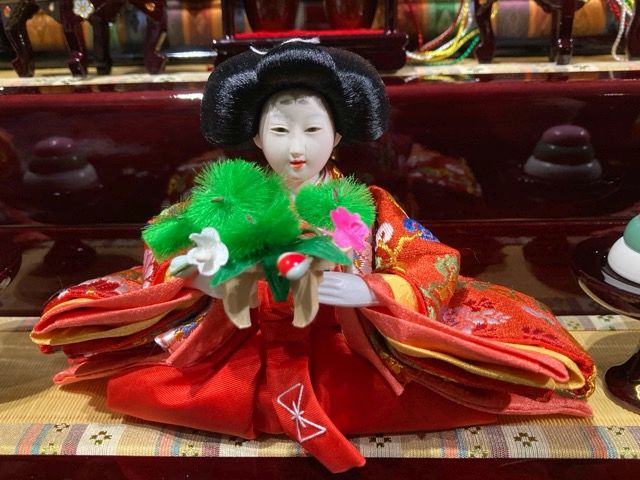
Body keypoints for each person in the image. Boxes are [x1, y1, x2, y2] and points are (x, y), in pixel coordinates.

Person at [31, 41, 595, 473]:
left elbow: (432, 258)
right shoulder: (226, 197)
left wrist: (373, 290)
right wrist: (200, 279)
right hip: (238, 342)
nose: (296, 147)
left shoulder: (366, 205)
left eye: (311, 129)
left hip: (344, 347)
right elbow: (163, 244)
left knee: (433, 394)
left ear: (337, 136)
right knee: (148, 388)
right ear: (257, 138)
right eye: (279, 130)